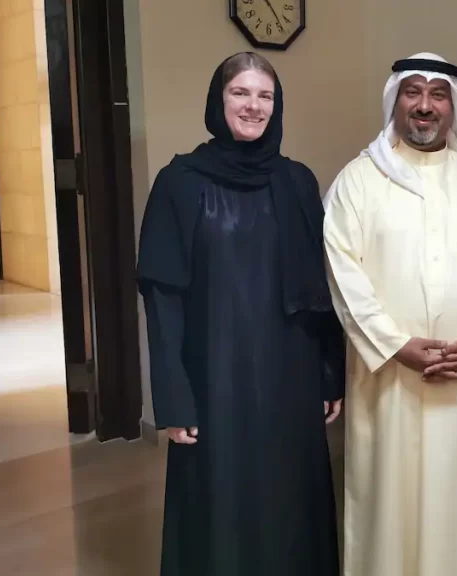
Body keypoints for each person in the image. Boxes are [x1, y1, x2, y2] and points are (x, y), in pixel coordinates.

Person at [136, 51, 344, 576]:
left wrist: (329, 373)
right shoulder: (180, 183)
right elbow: (163, 299)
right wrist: (174, 398)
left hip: (291, 377)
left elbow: (322, 289)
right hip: (215, 380)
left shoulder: (297, 182)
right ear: (218, 100)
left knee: (289, 500)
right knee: (221, 504)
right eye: (240, 93)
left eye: (265, 96)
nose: (254, 106)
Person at [322, 52, 457, 576]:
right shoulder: (357, 181)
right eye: (412, 92)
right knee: (392, 505)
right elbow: (344, 276)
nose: (424, 105)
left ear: (453, 108)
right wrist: (396, 346)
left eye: (438, 95)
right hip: (391, 382)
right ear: (395, 101)